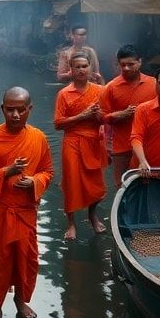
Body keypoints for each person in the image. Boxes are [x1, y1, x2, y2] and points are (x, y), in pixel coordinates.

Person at [0, 87, 54, 318]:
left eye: (21, 109)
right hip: (0, 209)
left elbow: (48, 172)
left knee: (26, 257)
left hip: (25, 209)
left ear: (30, 109)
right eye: (10, 109)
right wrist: (7, 171)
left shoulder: (38, 137)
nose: (16, 114)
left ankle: (20, 300)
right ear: (3, 109)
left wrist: (35, 182)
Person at [54, 54, 106, 240]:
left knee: (97, 186)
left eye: (85, 66)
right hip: (72, 141)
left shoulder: (100, 91)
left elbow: (107, 118)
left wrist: (99, 115)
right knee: (71, 182)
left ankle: (92, 214)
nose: (82, 70)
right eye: (78, 67)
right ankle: (71, 224)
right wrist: (82, 116)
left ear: (90, 67)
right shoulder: (64, 94)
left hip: (93, 141)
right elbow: (58, 124)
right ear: (71, 69)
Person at [100, 45, 156, 188]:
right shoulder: (111, 87)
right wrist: (120, 114)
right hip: (121, 143)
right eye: (122, 65)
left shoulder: (153, 83)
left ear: (139, 62)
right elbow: (101, 117)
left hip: (148, 142)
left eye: (130, 64)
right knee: (122, 183)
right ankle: (123, 209)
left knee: (149, 179)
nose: (126, 68)